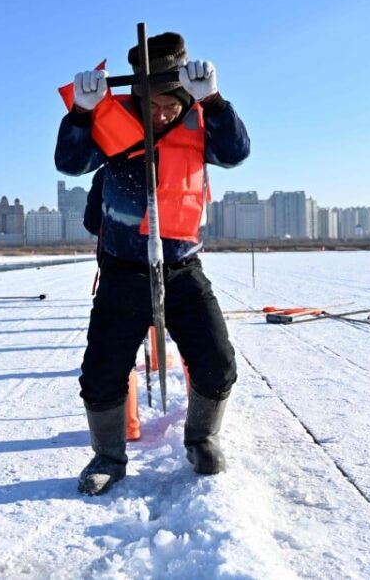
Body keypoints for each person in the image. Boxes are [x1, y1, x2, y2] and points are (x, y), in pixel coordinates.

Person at [55, 32, 250, 495]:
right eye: (152, 104)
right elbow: (69, 162)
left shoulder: (202, 123)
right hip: (124, 271)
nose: (162, 112)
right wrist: (81, 111)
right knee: (102, 372)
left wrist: (217, 101)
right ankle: (107, 456)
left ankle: (202, 439)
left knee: (217, 362)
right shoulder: (110, 125)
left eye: (171, 103)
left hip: (183, 269)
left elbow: (237, 152)